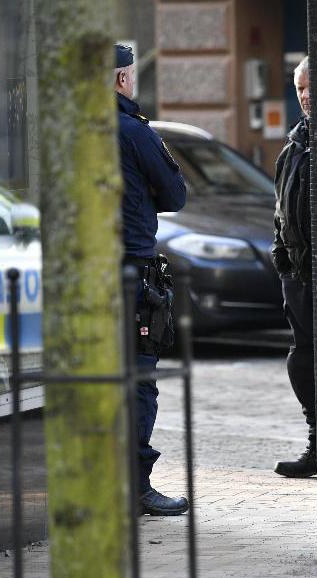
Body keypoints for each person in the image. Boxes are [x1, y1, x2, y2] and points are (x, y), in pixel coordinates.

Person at [115, 43, 189, 515]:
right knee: (140, 379)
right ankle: (136, 486)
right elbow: (176, 193)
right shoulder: (134, 131)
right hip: (132, 269)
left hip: (87, 272)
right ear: (122, 79)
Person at [270, 56, 316, 478]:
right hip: (298, 275)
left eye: (311, 87)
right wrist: (281, 259)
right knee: (301, 361)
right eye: (300, 89)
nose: (305, 96)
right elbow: (280, 211)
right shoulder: (293, 148)